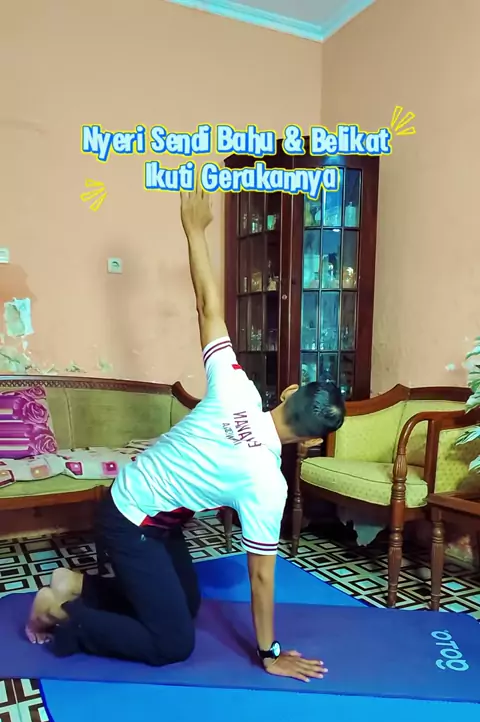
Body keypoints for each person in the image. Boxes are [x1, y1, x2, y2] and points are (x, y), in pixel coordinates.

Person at [26, 182, 345, 682]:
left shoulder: (237, 387)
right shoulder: (268, 483)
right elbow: (261, 576)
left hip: (139, 510)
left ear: (287, 393)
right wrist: (269, 652)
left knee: (187, 604)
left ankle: (73, 583)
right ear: (310, 441)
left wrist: (194, 230)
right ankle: (60, 613)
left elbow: (207, 307)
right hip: (129, 520)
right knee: (172, 643)